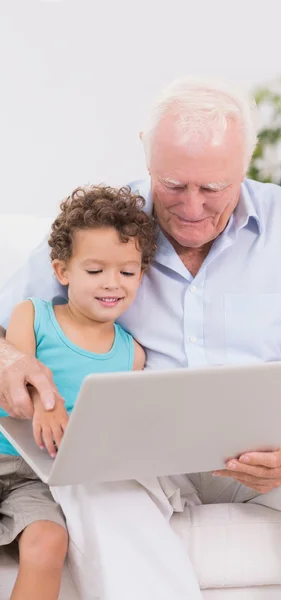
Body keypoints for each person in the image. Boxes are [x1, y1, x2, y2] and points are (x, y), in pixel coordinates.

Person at [0, 77, 281, 600]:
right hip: (144, 462)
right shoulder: (105, 225)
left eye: (213, 188)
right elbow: (7, 332)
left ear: (244, 167)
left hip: (266, 454)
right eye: (173, 185)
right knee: (85, 472)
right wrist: (11, 362)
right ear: (147, 162)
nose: (192, 207)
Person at [0, 184, 156, 599]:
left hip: (37, 479)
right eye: (95, 271)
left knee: (49, 541)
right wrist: (44, 404)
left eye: (127, 272)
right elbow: (17, 374)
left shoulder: (131, 355)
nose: (112, 284)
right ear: (62, 271)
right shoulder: (32, 314)